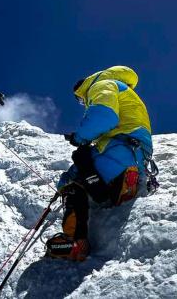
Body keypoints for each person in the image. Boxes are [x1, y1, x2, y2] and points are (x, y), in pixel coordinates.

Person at [49, 66, 153, 261]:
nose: (83, 103)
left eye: (81, 100)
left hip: (119, 147)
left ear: (82, 91)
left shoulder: (102, 85)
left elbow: (104, 116)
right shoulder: (124, 89)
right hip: (135, 153)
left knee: (72, 181)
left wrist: (80, 137)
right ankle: (116, 185)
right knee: (87, 163)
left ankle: (73, 241)